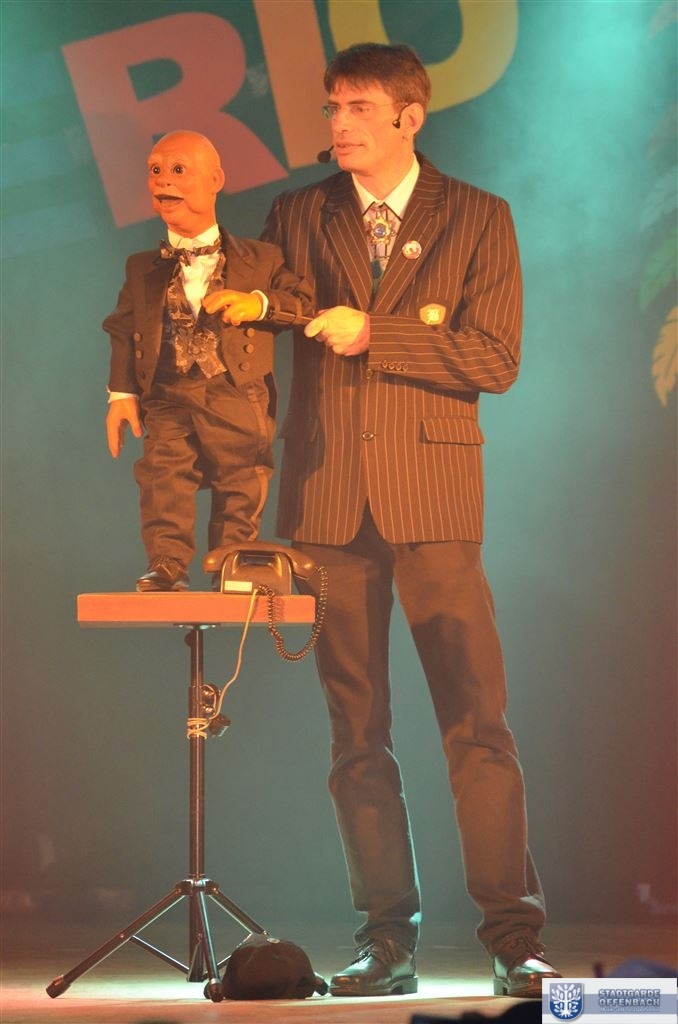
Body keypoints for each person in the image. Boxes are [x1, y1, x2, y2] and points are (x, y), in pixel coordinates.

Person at [262, 43, 560, 998]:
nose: (339, 123)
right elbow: (261, 315)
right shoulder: (299, 213)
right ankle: (386, 943)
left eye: (357, 107)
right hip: (326, 503)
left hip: (433, 501)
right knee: (356, 736)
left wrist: (376, 333)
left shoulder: (477, 215)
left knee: (477, 725)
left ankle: (514, 937)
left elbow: (496, 358)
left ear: (409, 115)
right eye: (332, 107)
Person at [104, 130, 312, 592]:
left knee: (242, 475)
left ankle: (234, 561)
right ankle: (166, 562)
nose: (164, 180)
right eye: (155, 170)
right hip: (167, 393)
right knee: (162, 475)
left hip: (235, 389)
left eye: (178, 170)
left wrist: (258, 303)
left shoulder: (260, 258)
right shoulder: (141, 267)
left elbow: (302, 302)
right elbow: (122, 327)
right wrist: (121, 394)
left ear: (215, 180)